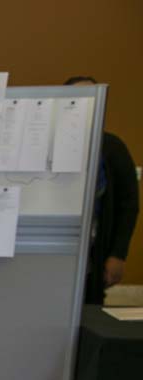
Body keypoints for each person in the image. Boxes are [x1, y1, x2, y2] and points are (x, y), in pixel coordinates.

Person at [63, 77, 139, 305]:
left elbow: (129, 205)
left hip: (95, 251)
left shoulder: (112, 147)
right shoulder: (49, 144)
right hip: (58, 246)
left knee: (89, 308)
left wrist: (118, 255)